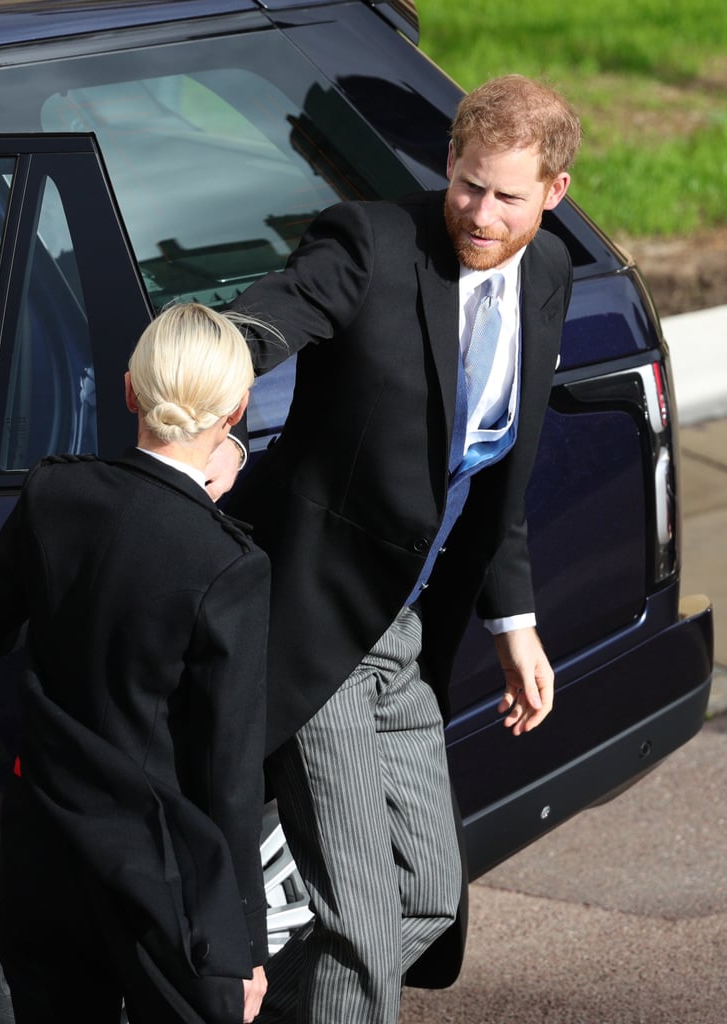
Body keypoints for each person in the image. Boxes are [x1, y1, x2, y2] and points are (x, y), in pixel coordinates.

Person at [224, 74, 583, 1023]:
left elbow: (500, 472)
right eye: (466, 183)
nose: (479, 212)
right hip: (315, 624)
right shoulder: (373, 244)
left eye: (508, 195)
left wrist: (513, 618)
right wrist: (213, 361)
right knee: (362, 924)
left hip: (403, 637)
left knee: (426, 898)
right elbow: (280, 310)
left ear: (554, 192)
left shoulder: (545, 274)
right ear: (449, 165)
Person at [0, 303, 271, 1024]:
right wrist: (240, 941)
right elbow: (229, 772)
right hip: (158, 865)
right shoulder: (227, 563)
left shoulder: (54, 494)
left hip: (45, 837)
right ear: (237, 411)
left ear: (128, 391)